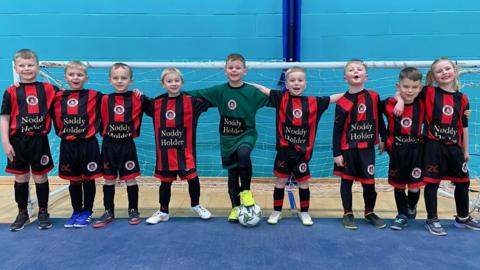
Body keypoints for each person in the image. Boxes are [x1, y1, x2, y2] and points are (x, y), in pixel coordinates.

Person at [395, 58, 480, 236]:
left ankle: (463, 218)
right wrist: (399, 101)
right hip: (433, 147)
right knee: (432, 184)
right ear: (433, 76)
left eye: (447, 68)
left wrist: (465, 150)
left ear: (455, 71)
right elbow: (404, 90)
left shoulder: (463, 99)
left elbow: (464, 127)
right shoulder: (428, 92)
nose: (444, 73)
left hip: (455, 148)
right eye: (439, 71)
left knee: (463, 182)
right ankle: (432, 219)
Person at [250, 67, 343, 226]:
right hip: (284, 152)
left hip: (302, 155)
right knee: (280, 181)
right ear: (286, 84)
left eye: (300, 80)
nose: (296, 83)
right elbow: (266, 90)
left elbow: (332, 98)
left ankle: (305, 213)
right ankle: (276, 211)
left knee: (304, 183)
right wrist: (252, 85)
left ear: (305, 84)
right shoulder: (281, 98)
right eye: (292, 80)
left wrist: (352, 93)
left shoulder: (314, 102)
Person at [188, 53, 269, 223]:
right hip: (227, 139)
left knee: (244, 155)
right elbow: (195, 93)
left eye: (238, 68)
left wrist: (267, 90)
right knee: (233, 175)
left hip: (246, 135)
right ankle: (235, 208)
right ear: (225, 71)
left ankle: (246, 191)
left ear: (244, 71)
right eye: (231, 68)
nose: (234, 70)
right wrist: (173, 93)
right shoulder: (219, 91)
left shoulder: (252, 92)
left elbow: (278, 100)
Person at [142, 68, 212, 224]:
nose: (173, 83)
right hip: (165, 153)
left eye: (176, 80)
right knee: (165, 182)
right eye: (169, 81)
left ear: (182, 82)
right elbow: (139, 102)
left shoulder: (192, 102)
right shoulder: (156, 103)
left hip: (185, 152)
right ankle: (163, 211)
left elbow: (214, 98)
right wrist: (137, 95)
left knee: (193, 179)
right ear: (163, 84)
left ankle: (196, 205)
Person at [1, 49, 58, 231]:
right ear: (16, 68)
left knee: (41, 176)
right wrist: (5, 142)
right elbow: (5, 117)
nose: (26, 68)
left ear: (38, 67)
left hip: (39, 141)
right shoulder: (11, 91)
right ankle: (22, 212)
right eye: (22, 65)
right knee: (21, 176)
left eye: (30, 65)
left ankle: (43, 211)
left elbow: (68, 98)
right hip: (17, 141)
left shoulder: (48, 89)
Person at [332, 59, 386, 230]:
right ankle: (348, 213)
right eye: (351, 70)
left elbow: (381, 120)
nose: (355, 71)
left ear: (366, 76)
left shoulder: (374, 97)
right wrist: (337, 153)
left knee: (369, 183)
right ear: (345, 78)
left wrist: (383, 138)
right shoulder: (342, 101)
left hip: (367, 149)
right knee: (346, 182)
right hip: (348, 149)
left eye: (359, 69)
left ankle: (369, 212)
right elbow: (337, 129)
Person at [51, 61, 102, 228]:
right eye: (71, 75)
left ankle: (87, 211)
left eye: (79, 75)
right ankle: (76, 211)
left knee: (88, 179)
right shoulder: (57, 97)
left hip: (88, 144)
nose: (75, 78)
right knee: (73, 180)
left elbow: (117, 99)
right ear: (65, 77)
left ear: (86, 78)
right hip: (68, 145)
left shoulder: (95, 96)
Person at [93, 63, 144, 228]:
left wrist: (141, 95)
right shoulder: (103, 99)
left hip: (127, 145)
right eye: (116, 78)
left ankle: (133, 209)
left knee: (130, 178)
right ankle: (109, 210)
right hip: (108, 145)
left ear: (130, 80)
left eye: (124, 78)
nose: (120, 81)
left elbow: (155, 106)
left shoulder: (137, 98)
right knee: (108, 180)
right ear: (110, 80)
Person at [382, 67, 424, 230]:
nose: (410, 90)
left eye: (414, 87)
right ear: (398, 86)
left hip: (416, 152)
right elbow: (377, 120)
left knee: (414, 187)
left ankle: (411, 206)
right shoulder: (387, 104)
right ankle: (402, 215)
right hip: (397, 152)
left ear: (419, 88)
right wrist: (383, 139)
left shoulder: (422, 103)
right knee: (398, 185)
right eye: (405, 86)